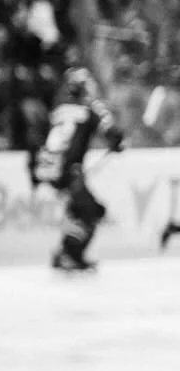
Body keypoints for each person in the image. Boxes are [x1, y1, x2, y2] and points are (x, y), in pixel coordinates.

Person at [30, 67, 124, 272]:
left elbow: (40, 137)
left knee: (79, 211)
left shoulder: (58, 109)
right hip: (69, 170)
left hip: (49, 167)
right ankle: (69, 254)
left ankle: (67, 254)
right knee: (91, 211)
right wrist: (117, 142)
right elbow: (111, 132)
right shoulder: (89, 108)